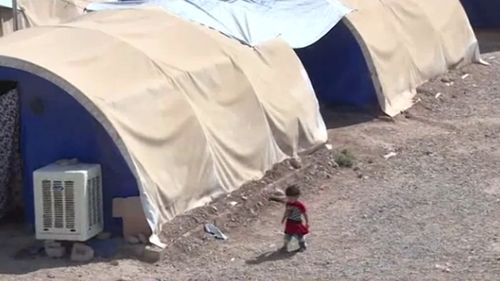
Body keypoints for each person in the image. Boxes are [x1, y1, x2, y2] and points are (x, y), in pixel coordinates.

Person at [280, 184, 309, 252]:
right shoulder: (288, 204)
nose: (289, 200)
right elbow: (286, 211)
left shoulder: (300, 205)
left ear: (297, 197)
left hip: (297, 223)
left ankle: (302, 245)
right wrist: (284, 218)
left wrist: (307, 222)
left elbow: (305, 213)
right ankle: (285, 246)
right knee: (287, 235)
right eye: (288, 198)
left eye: (291, 198)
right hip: (289, 222)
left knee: (299, 235)